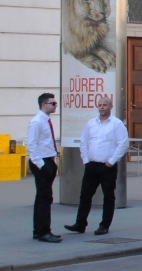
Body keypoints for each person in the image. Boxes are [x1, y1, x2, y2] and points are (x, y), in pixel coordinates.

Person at [63, 96, 128, 236]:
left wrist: (111, 161)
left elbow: (123, 144)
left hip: (107, 166)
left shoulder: (116, 124)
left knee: (108, 197)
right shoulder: (91, 123)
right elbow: (84, 141)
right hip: (91, 165)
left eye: (105, 105)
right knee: (85, 195)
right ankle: (80, 224)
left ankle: (104, 225)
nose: (102, 107)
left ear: (111, 107)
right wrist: (86, 160)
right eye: (100, 105)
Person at [27, 93, 61, 243]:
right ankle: (43, 232)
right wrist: (42, 165)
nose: (55, 105)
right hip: (41, 162)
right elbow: (32, 145)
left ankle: (39, 230)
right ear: (43, 105)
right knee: (45, 197)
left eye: (55, 103)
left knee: (43, 197)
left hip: (48, 160)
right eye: (52, 103)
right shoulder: (37, 122)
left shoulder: (46, 120)